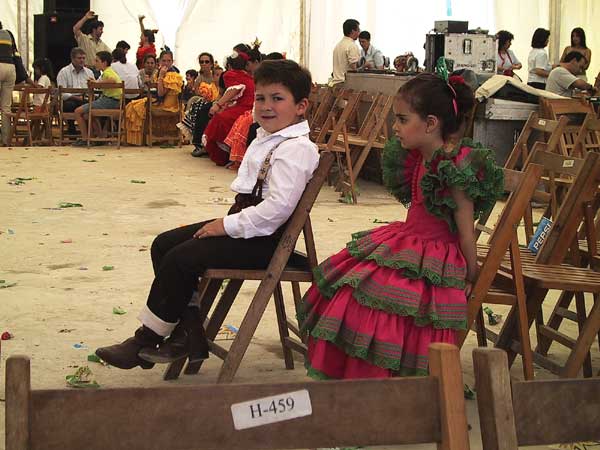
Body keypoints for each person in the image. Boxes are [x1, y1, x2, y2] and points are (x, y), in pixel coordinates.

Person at [95, 59, 319, 370]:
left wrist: (224, 226)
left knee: (180, 258)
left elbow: (276, 210)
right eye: (260, 98)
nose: (266, 106)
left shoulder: (296, 149)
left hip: (265, 241)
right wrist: (227, 225)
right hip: (250, 228)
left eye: (277, 99)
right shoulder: (271, 137)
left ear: (301, 106)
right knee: (164, 244)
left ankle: (147, 338)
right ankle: (190, 333)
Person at [299, 73, 503, 379]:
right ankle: (357, 379)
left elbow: (464, 231)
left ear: (431, 123)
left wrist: (473, 273)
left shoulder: (455, 170)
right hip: (409, 240)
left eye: (402, 119)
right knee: (350, 287)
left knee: (387, 301)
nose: (394, 127)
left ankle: (391, 381)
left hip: (438, 258)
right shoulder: (418, 158)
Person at [202, 50, 256, 165]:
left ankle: (223, 154)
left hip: (245, 107)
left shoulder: (230, 75)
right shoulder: (248, 76)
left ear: (230, 65)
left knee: (220, 118)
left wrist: (218, 105)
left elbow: (234, 90)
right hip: (250, 106)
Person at [125, 49, 182, 145]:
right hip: (159, 101)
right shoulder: (158, 72)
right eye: (164, 61)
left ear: (172, 62)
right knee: (131, 105)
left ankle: (141, 140)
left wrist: (160, 77)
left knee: (134, 107)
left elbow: (161, 93)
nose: (166, 63)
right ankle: (143, 139)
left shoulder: (173, 75)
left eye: (169, 61)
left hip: (168, 105)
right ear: (159, 62)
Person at [73, 51, 122, 145]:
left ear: (104, 62)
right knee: (86, 115)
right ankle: (98, 138)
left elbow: (112, 80)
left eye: (97, 60)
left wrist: (97, 84)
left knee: (77, 111)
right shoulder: (108, 72)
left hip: (109, 101)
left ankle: (84, 139)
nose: (95, 63)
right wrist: (95, 82)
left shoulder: (108, 72)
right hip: (112, 101)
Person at [56, 47, 94, 135]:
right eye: (79, 58)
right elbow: (62, 93)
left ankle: (89, 133)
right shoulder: (64, 72)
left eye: (83, 58)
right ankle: (71, 130)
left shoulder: (89, 73)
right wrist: (76, 97)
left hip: (85, 99)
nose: (82, 61)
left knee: (92, 105)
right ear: (72, 59)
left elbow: (94, 89)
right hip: (70, 100)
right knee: (69, 105)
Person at [0, 22, 18, 145]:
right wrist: (27, 79)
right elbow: (17, 56)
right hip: (11, 68)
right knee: (6, 107)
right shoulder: (9, 34)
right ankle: (6, 140)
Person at [330, 19, 361, 86]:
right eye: (358, 30)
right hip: (346, 84)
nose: (359, 33)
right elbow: (354, 67)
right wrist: (364, 65)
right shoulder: (352, 45)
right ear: (353, 31)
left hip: (335, 83)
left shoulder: (338, 45)